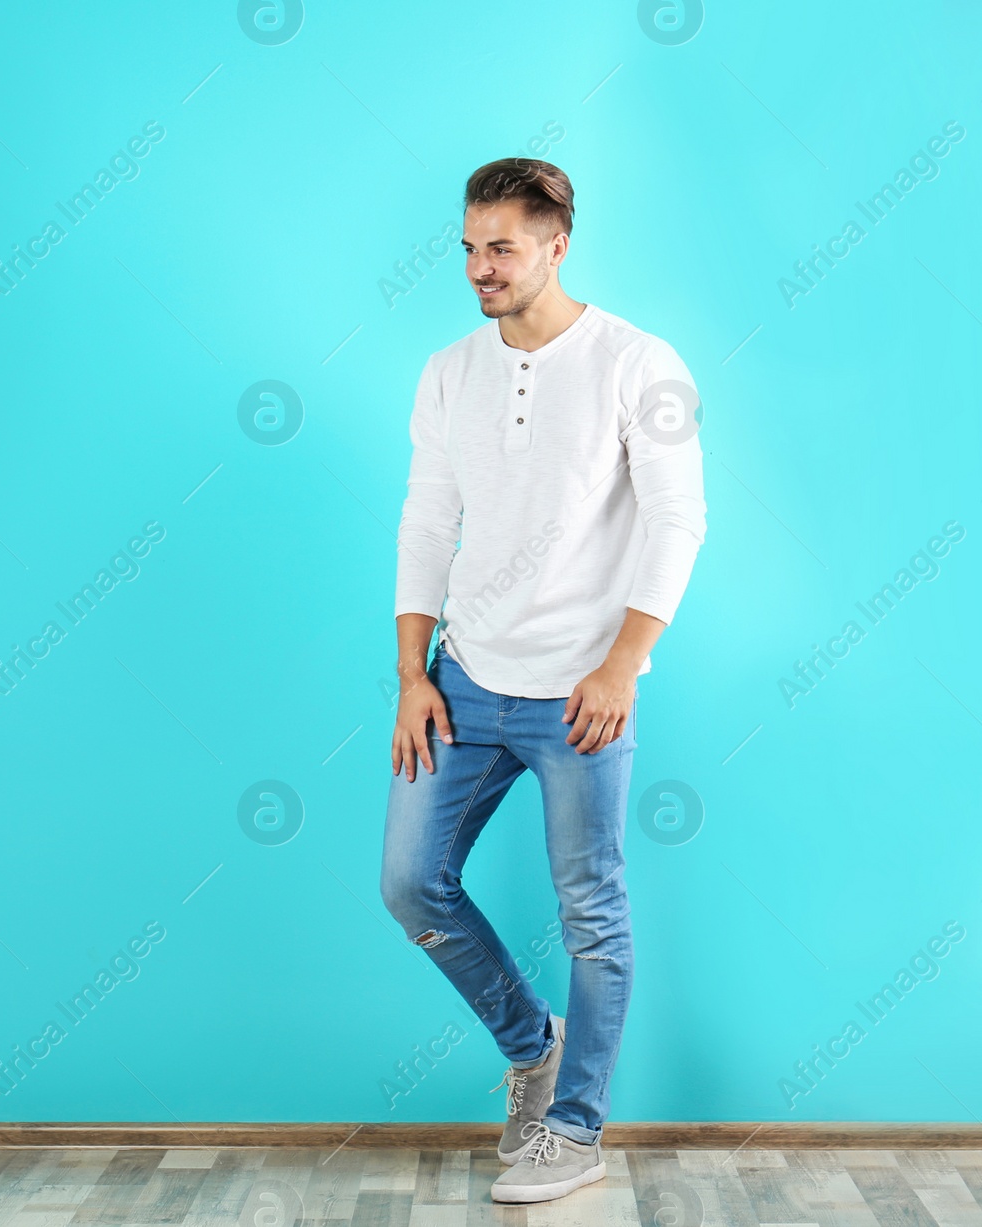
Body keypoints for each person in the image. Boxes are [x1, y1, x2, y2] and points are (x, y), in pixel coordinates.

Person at [379, 157, 707, 1205]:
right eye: (470, 247)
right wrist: (409, 675)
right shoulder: (448, 369)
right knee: (408, 883)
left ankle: (574, 1128)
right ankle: (532, 1044)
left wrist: (624, 663)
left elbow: (676, 520)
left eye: (501, 248)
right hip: (465, 679)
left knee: (591, 915)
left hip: (582, 695)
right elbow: (428, 519)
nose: (479, 267)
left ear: (557, 245)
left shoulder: (636, 363)